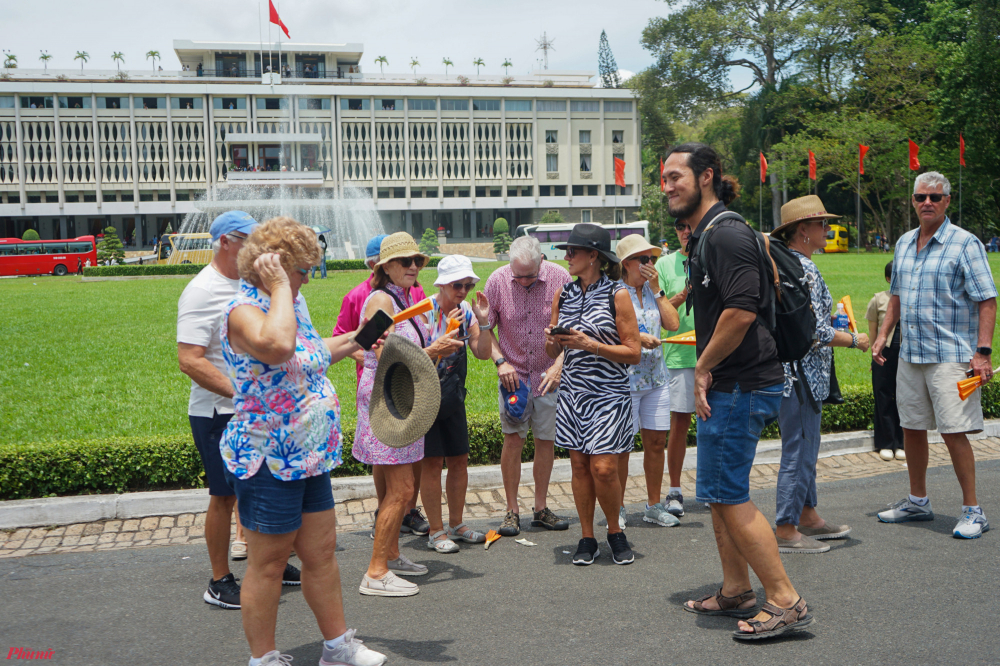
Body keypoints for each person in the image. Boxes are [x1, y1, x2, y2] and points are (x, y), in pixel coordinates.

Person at [221, 216, 386, 666]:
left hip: (309, 455)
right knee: (269, 564)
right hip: (269, 458)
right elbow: (277, 347)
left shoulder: (294, 304)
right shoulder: (245, 312)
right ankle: (264, 658)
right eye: (301, 268)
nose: (308, 276)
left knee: (321, 554)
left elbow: (309, 354)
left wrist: (358, 339)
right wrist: (278, 288)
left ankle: (336, 647)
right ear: (271, 266)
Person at [667, 143, 812, 639]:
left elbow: (742, 310)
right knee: (718, 495)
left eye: (675, 176)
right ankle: (736, 590)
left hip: (738, 384)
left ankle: (785, 599)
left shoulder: (726, 234)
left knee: (729, 495)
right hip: (730, 384)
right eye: (663, 178)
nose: (667, 186)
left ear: (706, 177)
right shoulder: (710, 233)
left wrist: (702, 368)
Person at [872, 171, 997, 539]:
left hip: (951, 355)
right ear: (912, 200)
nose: (927, 203)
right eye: (921, 197)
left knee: (954, 432)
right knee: (911, 427)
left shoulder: (965, 244)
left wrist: (983, 353)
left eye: (935, 197)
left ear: (947, 201)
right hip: (911, 353)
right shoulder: (904, 243)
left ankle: (974, 510)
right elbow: (895, 296)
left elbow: (987, 300)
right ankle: (917, 500)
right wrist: (883, 335)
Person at [354, 232, 464, 596]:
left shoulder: (403, 298)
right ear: (385, 267)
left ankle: (391, 555)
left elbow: (391, 350)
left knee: (393, 486)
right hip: (389, 402)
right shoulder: (382, 299)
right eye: (405, 261)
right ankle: (375, 571)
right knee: (402, 491)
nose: (414, 267)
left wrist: (434, 350)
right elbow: (370, 345)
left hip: (398, 398)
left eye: (417, 261)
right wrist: (432, 348)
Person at [178, 211, 275, 609]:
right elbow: (190, 359)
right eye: (248, 241)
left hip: (254, 408)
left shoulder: (250, 285)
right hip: (217, 411)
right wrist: (241, 393)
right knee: (223, 496)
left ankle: (267, 561)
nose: (257, 249)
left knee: (258, 489)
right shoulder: (203, 290)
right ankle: (219, 580)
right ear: (225, 242)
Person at [768, 196, 871, 554]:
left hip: (798, 373)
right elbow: (815, 331)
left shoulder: (794, 266)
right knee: (798, 450)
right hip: (800, 373)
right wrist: (855, 339)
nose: (827, 230)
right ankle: (785, 526)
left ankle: (807, 515)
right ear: (803, 231)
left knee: (807, 447)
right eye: (821, 225)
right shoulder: (804, 269)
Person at [545, 223, 641, 565]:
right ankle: (587, 536)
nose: (567, 257)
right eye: (566, 252)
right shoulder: (563, 294)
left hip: (609, 394)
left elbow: (634, 352)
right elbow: (549, 349)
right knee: (579, 467)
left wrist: (592, 345)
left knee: (603, 468)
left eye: (573, 252)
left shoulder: (618, 293)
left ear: (593, 257)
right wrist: (553, 339)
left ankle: (615, 530)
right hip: (573, 393)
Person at [483, 235, 571, 536]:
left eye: (529, 276)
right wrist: (500, 362)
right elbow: (485, 331)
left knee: (546, 441)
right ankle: (511, 510)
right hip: (514, 378)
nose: (522, 282)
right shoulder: (496, 281)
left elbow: (574, 328)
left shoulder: (561, 278)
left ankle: (540, 507)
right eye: (517, 276)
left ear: (541, 261)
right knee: (513, 440)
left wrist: (560, 365)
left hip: (548, 375)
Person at [419, 255, 493, 552]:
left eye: (468, 284)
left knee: (460, 460)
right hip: (425, 396)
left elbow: (482, 354)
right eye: (457, 284)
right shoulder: (425, 311)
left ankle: (456, 523)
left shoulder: (467, 313)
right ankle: (436, 531)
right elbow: (411, 357)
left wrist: (485, 323)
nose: (463, 290)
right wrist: (437, 348)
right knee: (433, 463)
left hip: (452, 396)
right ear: (442, 284)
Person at [614, 234, 680, 530]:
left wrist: (658, 289)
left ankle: (654, 505)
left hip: (656, 378)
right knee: (622, 447)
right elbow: (605, 330)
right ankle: (616, 507)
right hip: (625, 380)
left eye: (652, 258)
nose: (650, 264)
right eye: (644, 259)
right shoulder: (615, 292)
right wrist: (638, 338)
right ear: (627, 263)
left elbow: (673, 324)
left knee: (655, 443)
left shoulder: (654, 291)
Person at [656, 218, 697, 518]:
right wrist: (678, 298)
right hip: (679, 355)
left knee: (715, 423)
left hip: (713, 353)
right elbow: (654, 311)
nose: (686, 231)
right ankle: (675, 489)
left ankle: (711, 486)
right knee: (679, 423)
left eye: (690, 226)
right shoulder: (665, 265)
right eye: (680, 226)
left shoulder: (713, 259)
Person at [867, 262, 904, 461]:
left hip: (907, 355)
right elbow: (873, 331)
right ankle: (885, 443)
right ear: (888, 279)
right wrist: (874, 357)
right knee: (883, 396)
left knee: (903, 397)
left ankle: (901, 443)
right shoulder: (878, 300)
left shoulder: (910, 299)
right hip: (884, 355)